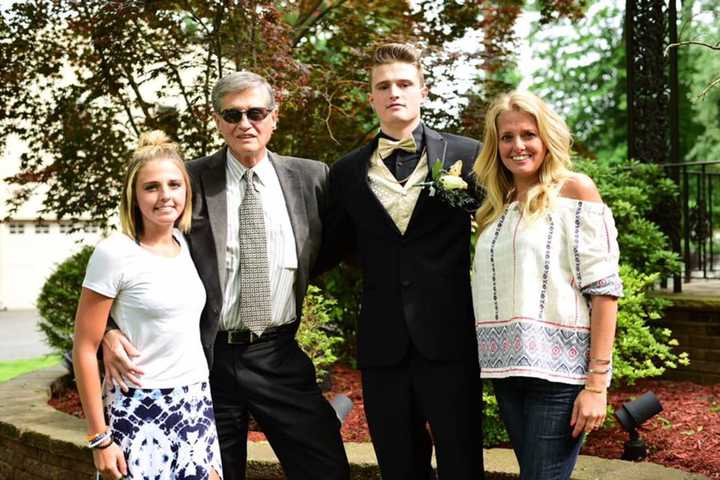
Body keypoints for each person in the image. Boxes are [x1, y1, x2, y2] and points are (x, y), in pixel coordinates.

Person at [102, 71, 350, 480]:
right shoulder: (188, 180)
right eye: (232, 115)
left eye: (255, 112)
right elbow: (138, 254)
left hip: (278, 353)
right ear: (217, 121)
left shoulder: (312, 178)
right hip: (205, 360)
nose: (244, 124)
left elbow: (332, 250)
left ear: (274, 117)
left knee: (326, 469)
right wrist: (111, 327)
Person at [320, 43, 485, 479]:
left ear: (423, 91)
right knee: (398, 465)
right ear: (371, 97)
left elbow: (501, 226)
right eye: (384, 86)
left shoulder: (467, 155)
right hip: (382, 343)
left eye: (404, 83)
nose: (395, 92)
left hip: (450, 338)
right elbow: (333, 248)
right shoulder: (347, 172)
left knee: (462, 460)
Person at [471, 90, 622, 480]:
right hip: (508, 374)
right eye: (507, 137)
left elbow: (604, 290)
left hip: (560, 377)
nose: (517, 145)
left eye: (528, 134)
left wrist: (596, 385)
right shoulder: (497, 206)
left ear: (546, 139)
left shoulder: (575, 190)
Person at [72, 131, 223, 480]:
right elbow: (83, 345)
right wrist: (99, 438)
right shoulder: (114, 253)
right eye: (152, 187)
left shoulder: (188, 244)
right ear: (134, 196)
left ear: (187, 190)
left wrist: (112, 331)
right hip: (139, 406)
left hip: (195, 402)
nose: (165, 195)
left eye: (174, 184)